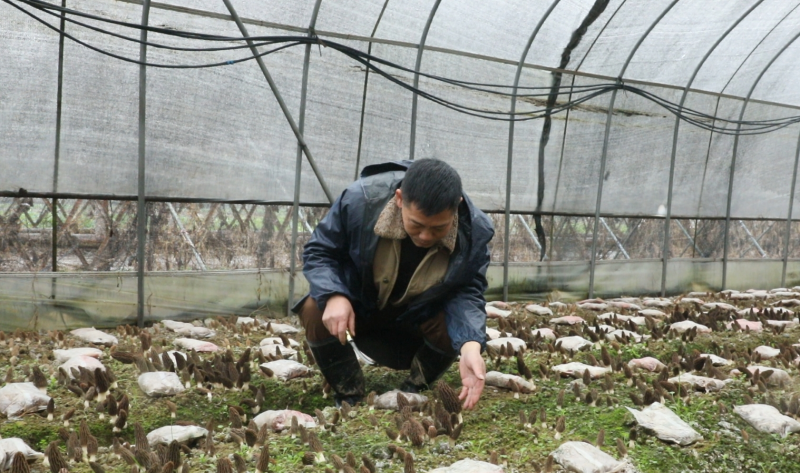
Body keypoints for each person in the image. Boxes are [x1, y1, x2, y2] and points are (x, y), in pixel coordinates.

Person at [294, 159, 494, 409]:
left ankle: (415, 387)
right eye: (416, 224)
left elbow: (467, 291)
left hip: (417, 324)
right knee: (314, 307)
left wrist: (470, 346)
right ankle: (349, 394)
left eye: (438, 228)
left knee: (453, 324)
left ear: (457, 207)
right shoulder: (360, 202)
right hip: (361, 313)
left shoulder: (474, 231)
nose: (425, 236)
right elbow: (320, 251)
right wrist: (334, 295)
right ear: (399, 199)